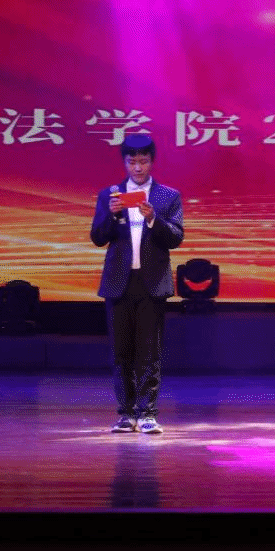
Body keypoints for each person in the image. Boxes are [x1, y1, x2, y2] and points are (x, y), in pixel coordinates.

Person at [90, 133, 184, 435]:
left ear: (152, 161)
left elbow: (176, 237)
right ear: (125, 163)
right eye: (132, 162)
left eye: (143, 161)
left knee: (149, 352)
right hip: (119, 283)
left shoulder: (167, 196)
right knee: (121, 352)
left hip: (151, 284)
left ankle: (148, 414)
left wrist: (154, 218)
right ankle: (126, 414)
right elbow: (97, 237)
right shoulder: (110, 195)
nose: (138, 168)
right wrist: (111, 215)